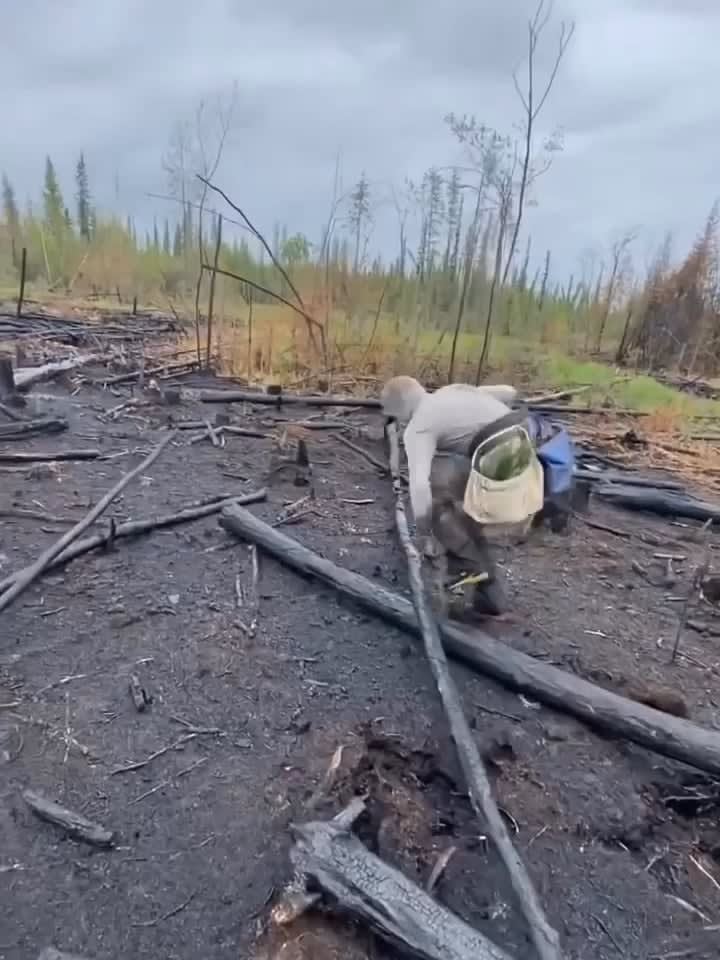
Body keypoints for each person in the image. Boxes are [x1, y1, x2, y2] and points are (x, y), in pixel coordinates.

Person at [381, 375, 572, 618]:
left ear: (402, 409)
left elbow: (418, 486)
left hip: (502, 461)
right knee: (459, 500)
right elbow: (507, 391)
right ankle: (489, 595)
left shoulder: (419, 426)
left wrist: (422, 532)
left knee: (437, 505)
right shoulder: (449, 393)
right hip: (528, 442)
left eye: (396, 417)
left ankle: (466, 566)